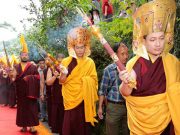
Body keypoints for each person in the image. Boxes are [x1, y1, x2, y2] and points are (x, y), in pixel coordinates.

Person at [118, 0, 180, 134]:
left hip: (168, 121)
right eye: (152, 39)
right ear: (143, 42)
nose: (158, 44)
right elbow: (126, 92)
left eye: (161, 38)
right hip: (142, 125)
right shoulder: (135, 64)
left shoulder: (173, 62)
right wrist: (124, 82)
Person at [59, 27, 98, 135]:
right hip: (70, 100)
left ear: (86, 47)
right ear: (73, 47)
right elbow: (62, 81)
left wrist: (85, 82)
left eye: (82, 47)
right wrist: (65, 73)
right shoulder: (66, 61)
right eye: (77, 47)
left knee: (83, 129)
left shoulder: (90, 62)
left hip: (84, 100)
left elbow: (94, 81)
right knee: (69, 127)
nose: (80, 50)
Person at [9, 35, 40, 133]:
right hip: (20, 91)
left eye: (26, 55)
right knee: (22, 109)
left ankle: (32, 126)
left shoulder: (33, 66)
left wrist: (29, 78)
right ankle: (23, 126)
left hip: (31, 91)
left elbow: (38, 77)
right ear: (20, 56)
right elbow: (13, 79)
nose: (24, 56)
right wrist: (11, 75)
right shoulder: (16, 66)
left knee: (32, 109)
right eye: (23, 55)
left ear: (28, 56)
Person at [98, 42, 129, 135]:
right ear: (115, 55)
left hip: (129, 106)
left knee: (127, 131)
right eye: (122, 54)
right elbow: (102, 90)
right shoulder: (109, 70)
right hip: (113, 107)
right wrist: (100, 107)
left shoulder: (130, 68)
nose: (126, 56)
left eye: (127, 53)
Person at [46, 53, 65, 134]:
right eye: (59, 59)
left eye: (62, 59)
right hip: (56, 96)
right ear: (56, 60)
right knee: (58, 117)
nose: (60, 61)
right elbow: (48, 83)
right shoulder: (52, 69)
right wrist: (55, 76)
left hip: (67, 96)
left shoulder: (66, 68)